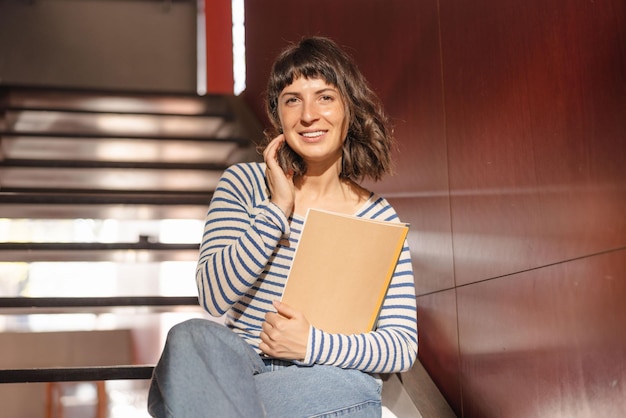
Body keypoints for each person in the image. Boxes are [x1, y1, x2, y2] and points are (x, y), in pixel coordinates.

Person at [148, 36, 418, 418]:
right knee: (190, 337)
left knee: (187, 394)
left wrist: (311, 344)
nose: (308, 115)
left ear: (349, 109)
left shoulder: (378, 216)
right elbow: (213, 295)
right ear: (279, 114)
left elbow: (401, 345)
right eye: (293, 99)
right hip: (242, 369)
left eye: (324, 97)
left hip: (322, 378)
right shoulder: (243, 184)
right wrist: (277, 209)